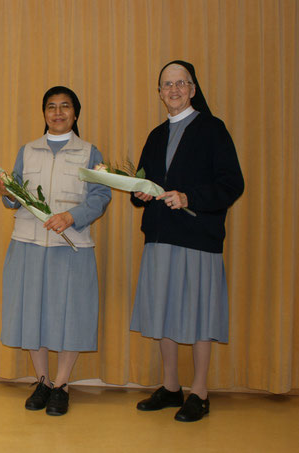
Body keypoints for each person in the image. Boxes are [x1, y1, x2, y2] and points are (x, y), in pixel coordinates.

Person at [130, 61, 244, 422]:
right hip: (161, 237)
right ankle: (170, 386)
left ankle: (200, 391)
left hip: (198, 239)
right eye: (167, 84)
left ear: (193, 89)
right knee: (163, 312)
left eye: (181, 83)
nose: (174, 90)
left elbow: (231, 184)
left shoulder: (213, 130)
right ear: (160, 92)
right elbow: (140, 185)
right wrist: (141, 194)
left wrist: (189, 197)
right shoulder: (155, 135)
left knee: (198, 315)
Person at [0, 86, 111, 416]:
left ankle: (62, 384)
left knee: (70, 314)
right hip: (28, 243)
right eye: (51, 107)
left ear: (75, 113)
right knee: (33, 313)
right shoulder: (28, 151)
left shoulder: (89, 153)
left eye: (65, 107)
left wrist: (72, 216)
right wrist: (6, 192)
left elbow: (100, 197)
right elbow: (14, 196)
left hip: (70, 246)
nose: (58, 113)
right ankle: (42, 381)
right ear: (44, 114)